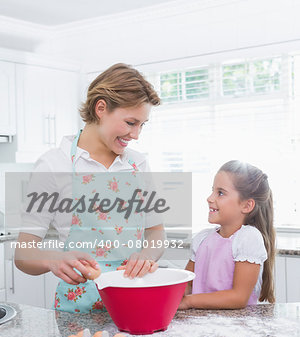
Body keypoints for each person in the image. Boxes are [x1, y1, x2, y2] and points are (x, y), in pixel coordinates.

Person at [15, 63, 165, 313]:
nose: (136, 134)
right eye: (130, 122)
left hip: (134, 300)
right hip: (78, 309)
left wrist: (147, 255)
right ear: (101, 108)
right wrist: (52, 258)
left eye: (142, 125)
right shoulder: (53, 165)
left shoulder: (138, 163)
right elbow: (23, 252)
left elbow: (156, 232)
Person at [179, 160, 276, 310]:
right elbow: (186, 284)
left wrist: (188, 301)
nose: (210, 198)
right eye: (212, 190)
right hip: (202, 323)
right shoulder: (202, 238)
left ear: (246, 205)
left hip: (236, 327)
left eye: (220, 193)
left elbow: (238, 297)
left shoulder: (248, 239)